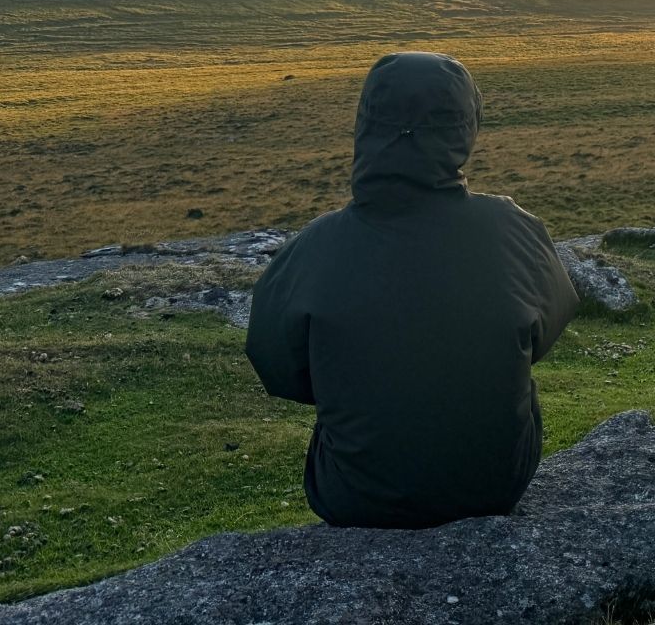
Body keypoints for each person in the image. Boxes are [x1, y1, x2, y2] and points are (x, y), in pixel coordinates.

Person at [247, 51, 578, 529]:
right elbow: (543, 333)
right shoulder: (512, 229)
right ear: (466, 127)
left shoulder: (316, 246)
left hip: (354, 495)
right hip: (494, 486)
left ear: (365, 129)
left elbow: (278, 368)